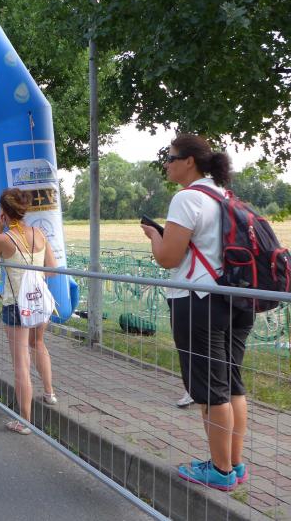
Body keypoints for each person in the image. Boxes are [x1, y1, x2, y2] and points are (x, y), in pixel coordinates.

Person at [141, 133, 253, 491]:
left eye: (171, 158)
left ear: (189, 161)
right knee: (232, 384)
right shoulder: (225, 197)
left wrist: (153, 236)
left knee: (210, 390)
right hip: (236, 298)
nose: (166, 164)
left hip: (198, 300)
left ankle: (219, 471)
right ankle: (234, 464)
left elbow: (168, 257)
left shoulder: (187, 198)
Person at [0, 188, 56, 435]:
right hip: (40, 301)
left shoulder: (4, 239)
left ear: (3, 211)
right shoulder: (40, 233)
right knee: (39, 344)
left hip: (16, 304)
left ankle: (24, 421)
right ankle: (49, 393)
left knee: (21, 363)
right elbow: (52, 268)